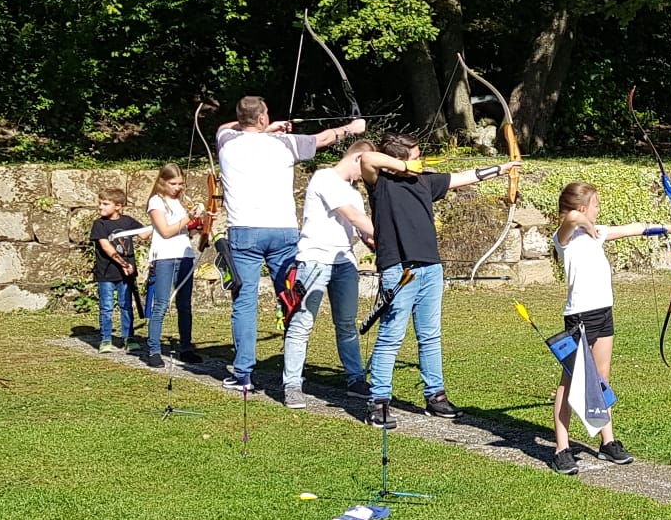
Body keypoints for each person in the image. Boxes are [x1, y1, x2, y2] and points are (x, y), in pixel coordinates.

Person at [360, 132, 515, 429]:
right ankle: (378, 401)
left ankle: (435, 396)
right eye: (416, 157)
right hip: (399, 269)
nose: (421, 162)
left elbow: (463, 177)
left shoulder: (425, 182)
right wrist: (404, 166)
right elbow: (367, 157)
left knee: (430, 335)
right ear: (400, 159)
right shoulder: (381, 183)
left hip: (430, 268)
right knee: (391, 336)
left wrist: (502, 168)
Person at [215, 96, 365, 391]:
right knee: (290, 298)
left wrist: (266, 127)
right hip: (283, 232)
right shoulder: (285, 144)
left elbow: (226, 126)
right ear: (262, 118)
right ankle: (292, 370)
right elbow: (324, 138)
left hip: (244, 231)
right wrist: (351, 128)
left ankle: (243, 373)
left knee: (244, 303)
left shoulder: (226, 140)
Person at [544, 180, 671, 474]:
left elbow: (632, 228)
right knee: (570, 382)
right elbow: (571, 218)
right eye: (596, 205)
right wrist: (586, 224)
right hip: (580, 316)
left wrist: (667, 228)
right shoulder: (564, 237)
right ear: (582, 208)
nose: (598, 210)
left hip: (604, 312)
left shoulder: (596, 233)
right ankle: (562, 449)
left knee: (602, 378)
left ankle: (608, 442)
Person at [280, 137, 379, 408]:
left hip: (344, 262)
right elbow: (354, 217)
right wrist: (389, 236)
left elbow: (360, 228)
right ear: (358, 158)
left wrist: (374, 241)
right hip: (314, 261)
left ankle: (355, 380)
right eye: (367, 168)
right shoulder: (324, 177)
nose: (367, 175)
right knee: (301, 324)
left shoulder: (353, 191)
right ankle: (292, 385)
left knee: (347, 324)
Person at [142, 164, 201, 369]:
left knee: (184, 305)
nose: (177, 188)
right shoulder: (156, 201)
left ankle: (186, 348)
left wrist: (199, 225)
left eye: (180, 184)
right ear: (162, 182)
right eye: (173, 183)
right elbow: (165, 231)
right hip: (164, 257)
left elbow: (185, 232)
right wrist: (188, 218)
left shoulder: (181, 202)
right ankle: (154, 351)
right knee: (161, 304)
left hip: (184, 255)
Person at [89, 188, 145, 352]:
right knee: (106, 307)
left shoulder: (128, 222)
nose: (100, 207)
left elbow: (144, 234)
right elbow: (107, 248)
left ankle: (129, 338)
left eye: (105, 204)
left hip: (126, 275)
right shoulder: (99, 224)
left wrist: (162, 220)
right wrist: (124, 264)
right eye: (100, 203)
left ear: (118, 206)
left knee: (126, 305)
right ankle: (106, 339)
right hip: (107, 273)